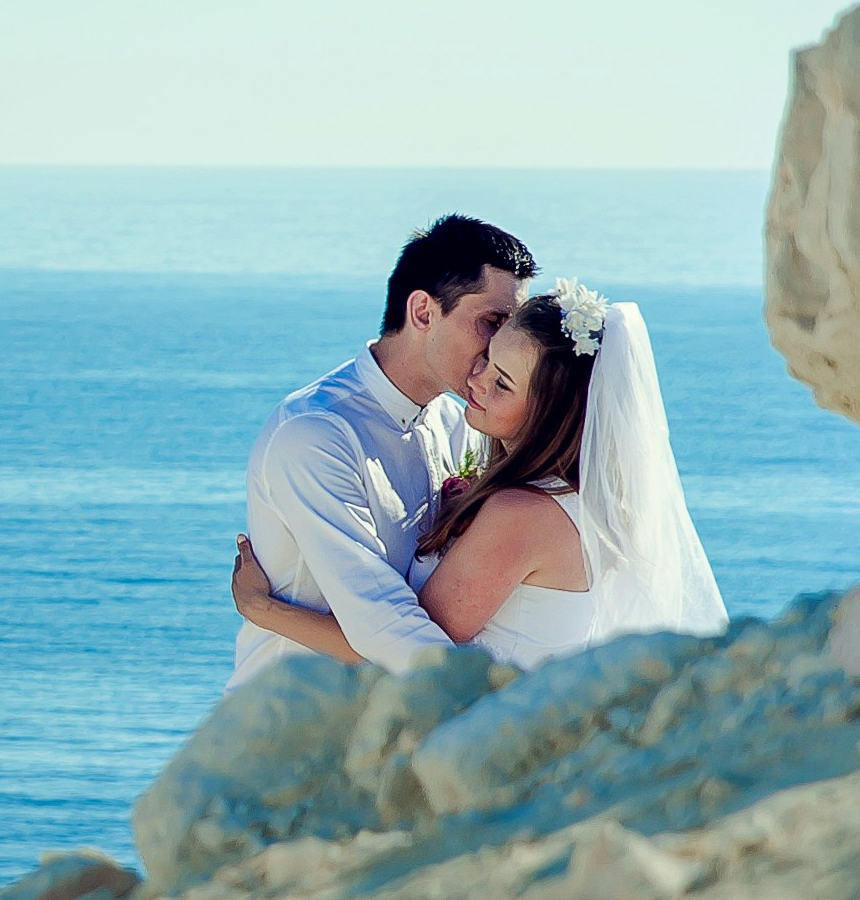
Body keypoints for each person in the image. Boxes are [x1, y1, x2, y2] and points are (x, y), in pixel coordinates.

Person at [230, 277, 728, 674]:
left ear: (551, 411)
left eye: (502, 383)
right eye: (488, 359)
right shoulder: (565, 498)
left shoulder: (523, 514)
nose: (477, 380)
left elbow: (412, 658)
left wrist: (262, 609)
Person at [226, 216, 534, 687]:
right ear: (423, 312)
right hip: (293, 720)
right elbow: (378, 620)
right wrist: (499, 705)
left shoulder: (458, 425)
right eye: (491, 323)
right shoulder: (315, 435)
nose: (502, 348)